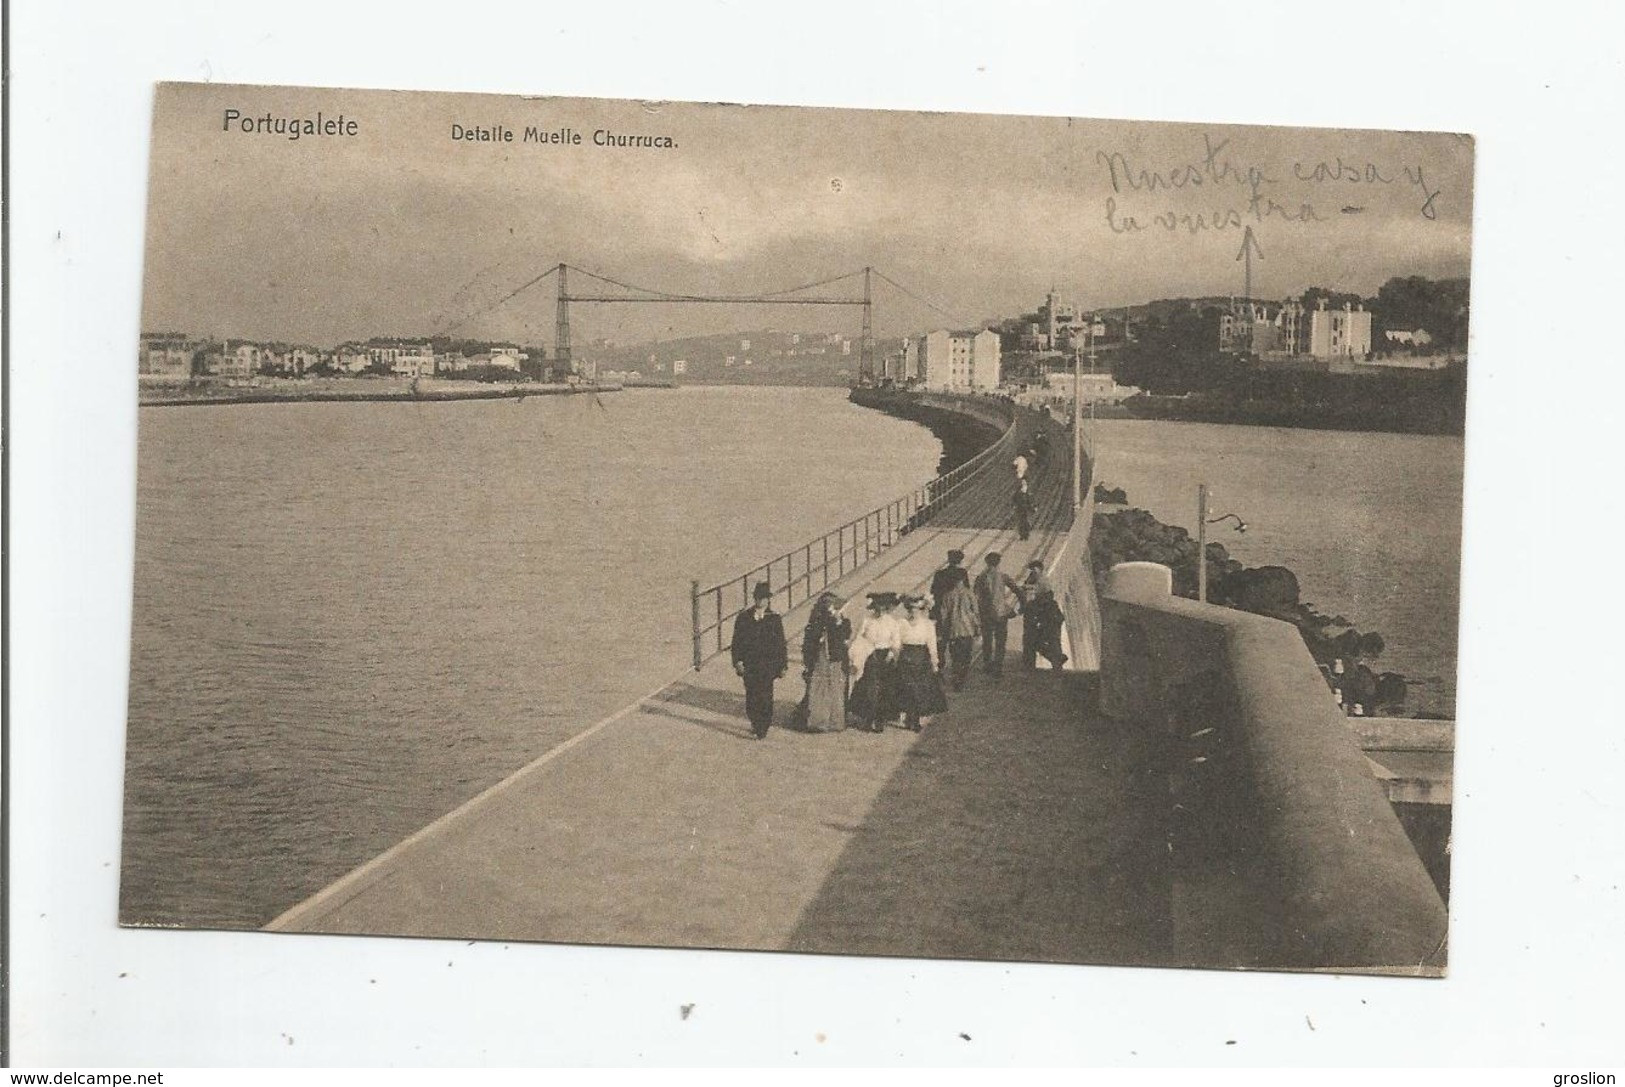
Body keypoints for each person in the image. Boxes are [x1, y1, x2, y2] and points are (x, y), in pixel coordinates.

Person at [731, 582, 788, 739]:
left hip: (768, 666)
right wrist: (737, 661)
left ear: (768, 600)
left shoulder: (774, 618)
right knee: (751, 696)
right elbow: (736, 642)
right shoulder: (743, 618)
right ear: (754, 599)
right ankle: (755, 722)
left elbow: (781, 643)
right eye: (758, 598)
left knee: (766, 696)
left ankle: (763, 727)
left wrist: (783, 665)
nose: (761, 601)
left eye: (764, 598)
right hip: (750, 665)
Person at [848, 592, 902, 732]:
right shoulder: (867, 620)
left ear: (886, 608)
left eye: (882, 608)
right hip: (869, 654)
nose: (879, 611)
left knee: (885, 689)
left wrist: (891, 654)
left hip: (886, 656)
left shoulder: (892, 623)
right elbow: (858, 637)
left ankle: (880, 719)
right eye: (877, 608)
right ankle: (868, 717)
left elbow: (896, 642)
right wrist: (858, 653)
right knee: (869, 687)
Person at [894, 594, 949, 731]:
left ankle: (916, 719)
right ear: (908, 609)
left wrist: (934, 662)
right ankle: (909, 716)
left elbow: (932, 644)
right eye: (911, 609)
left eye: (917, 609)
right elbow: (896, 643)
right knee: (907, 689)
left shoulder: (928, 625)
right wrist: (896, 657)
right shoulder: (901, 623)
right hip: (906, 657)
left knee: (920, 690)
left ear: (922, 610)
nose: (914, 612)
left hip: (922, 658)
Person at [800, 593, 851, 733]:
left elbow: (843, 639)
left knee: (835, 689)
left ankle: (835, 721)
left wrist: (837, 623)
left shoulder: (844, 623)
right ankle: (818, 721)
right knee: (819, 690)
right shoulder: (818, 622)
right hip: (820, 661)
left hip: (835, 660)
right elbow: (809, 642)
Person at [974, 551, 1023, 679]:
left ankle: (987, 664)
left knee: (987, 640)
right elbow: (1018, 591)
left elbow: (975, 596)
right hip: (1001, 614)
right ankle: (998, 667)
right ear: (998, 563)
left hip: (986, 613)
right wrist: (1022, 606)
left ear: (986, 562)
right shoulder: (1003, 576)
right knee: (1000, 641)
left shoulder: (980, 577)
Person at [937, 572, 980, 691]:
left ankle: (957, 679)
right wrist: (977, 628)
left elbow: (943, 615)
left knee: (955, 656)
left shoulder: (947, 595)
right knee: (966, 656)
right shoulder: (970, 594)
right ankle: (962, 677)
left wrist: (943, 630)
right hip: (967, 630)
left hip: (953, 631)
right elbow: (976, 613)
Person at [929, 548, 969, 665]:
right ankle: (956, 666)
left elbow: (933, 591)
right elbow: (966, 592)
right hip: (956, 611)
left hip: (940, 610)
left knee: (941, 640)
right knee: (956, 640)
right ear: (960, 561)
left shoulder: (939, 574)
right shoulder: (962, 573)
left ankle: (940, 664)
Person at [1020, 559, 1054, 669]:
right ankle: (1030, 663)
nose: (1031, 572)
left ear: (1039, 569)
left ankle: (1055, 658)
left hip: (1038, 614)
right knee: (1031, 639)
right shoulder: (1038, 579)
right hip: (1036, 613)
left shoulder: (1042, 580)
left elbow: (1036, 595)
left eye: (1033, 570)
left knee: (1032, 640)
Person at [1027, 588, 1069, 670]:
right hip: (1049, 630)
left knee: (1040, 644)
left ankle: (1056, 662)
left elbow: (1059, 617)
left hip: (1049, 630)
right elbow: (1060, 617)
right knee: (1050, 646)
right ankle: (1057, 661)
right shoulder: (1051, 604)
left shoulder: (1050, 605)